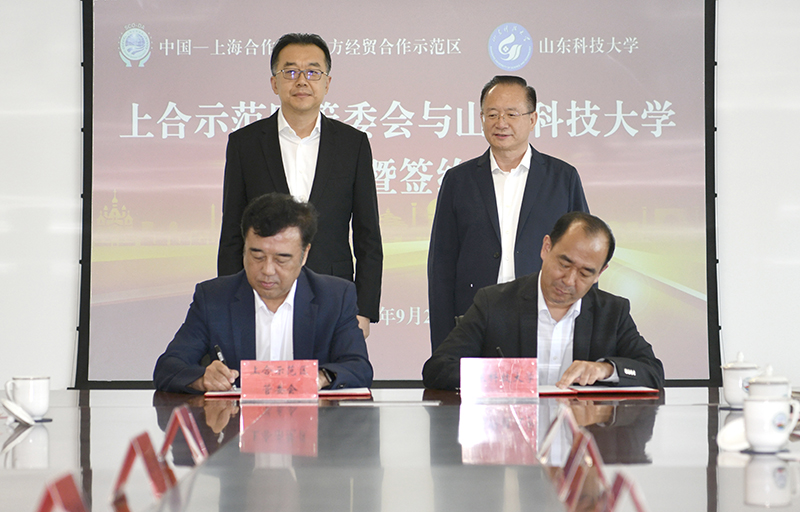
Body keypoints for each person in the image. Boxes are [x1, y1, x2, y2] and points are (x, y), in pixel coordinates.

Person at [217, 33, 382, 339]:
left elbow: (368, 235)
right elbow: (231, 234)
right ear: (274, 83)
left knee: (330, 369)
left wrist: (364, 309)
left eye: (313, 72)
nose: (302, 81)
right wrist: (229, 305)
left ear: (327, 83)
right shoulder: (245, 144)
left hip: (333, 296)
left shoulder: (353, 144)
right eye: (290, 71)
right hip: (261, 294)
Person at [427, 75, 589, 352]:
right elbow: (441, 265)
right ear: (481, 118)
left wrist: (586, 335)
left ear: (532, 119)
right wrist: (444, 347)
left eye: (511, 114)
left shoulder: (563, 178)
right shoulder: (458, 180)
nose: (501, 123)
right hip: (475, 321)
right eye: (492, 114)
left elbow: (584, 256)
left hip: (547, 319)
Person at [155, 193, 373, 393]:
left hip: (314, 421)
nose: (267, 270)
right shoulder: (213, 298)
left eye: (281, 259)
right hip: (237, 421)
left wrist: (321, 377)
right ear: (244, 249)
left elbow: (359, 368)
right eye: (257, 256)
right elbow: (168, 367)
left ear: (304, 254)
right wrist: (203, 378)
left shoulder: (335, 297)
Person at [422, 211, 664, 391]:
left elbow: (653, 372)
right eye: (564, 264)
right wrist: (503, 375)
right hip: (510, 434)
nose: (569, 280)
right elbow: (438, 368)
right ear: (546, 248)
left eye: (585, 273)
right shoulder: (493, 303)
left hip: (582, 435)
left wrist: (606, 369)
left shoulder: (612, 312)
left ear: (600, 273)